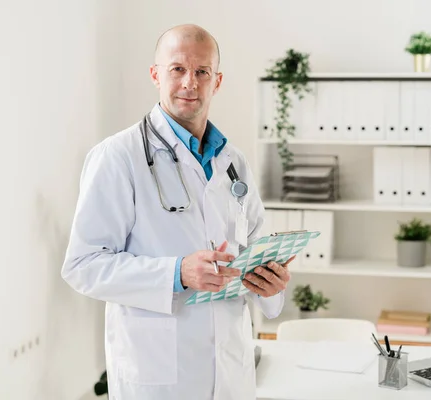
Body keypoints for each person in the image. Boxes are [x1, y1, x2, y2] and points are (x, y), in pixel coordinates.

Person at [61, 24, 292, 400]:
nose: (190, 82)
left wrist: (270, 284)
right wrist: (175, 272)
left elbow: (255, 244)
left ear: (217, 81)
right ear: (156, 75)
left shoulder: (234, 162)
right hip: (159, 371)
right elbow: (82, 265)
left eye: (202, 72)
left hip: (231, 369)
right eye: (177, 69)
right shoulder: (119, 157)